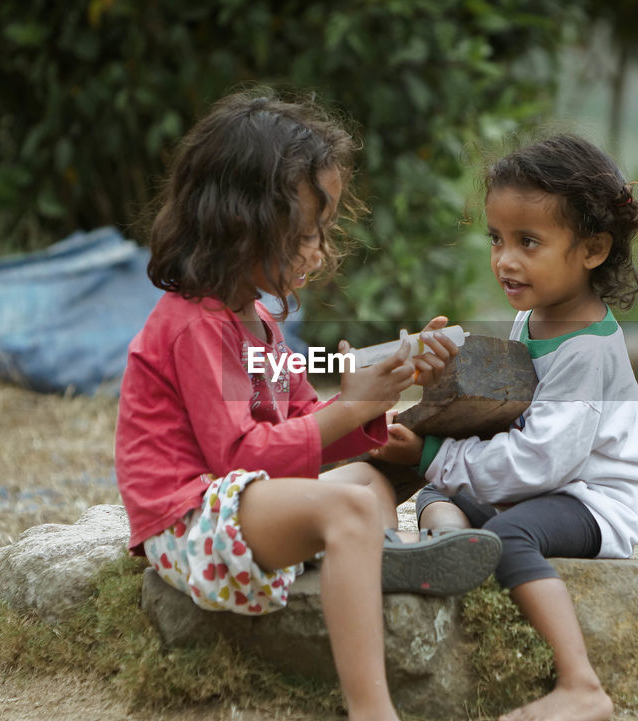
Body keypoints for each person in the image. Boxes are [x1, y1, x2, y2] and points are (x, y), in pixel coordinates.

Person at [115, 89, 500, 721]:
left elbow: (301, 427)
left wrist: (382, 386)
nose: (319, 251)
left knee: (371, 474)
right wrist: (348, 409)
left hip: (242, 503)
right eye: (304, 234)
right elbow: (235, 454)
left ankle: (385, 556)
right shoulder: (193, 327)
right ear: (240, 222)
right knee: (348, 505)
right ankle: (373, 710)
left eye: (322, 233)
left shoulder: (258, 321)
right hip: (188, 519)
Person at [374, 134, 638, 721]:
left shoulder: (588, 352)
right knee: (436, 491)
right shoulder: (532, 320)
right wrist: (442, 392)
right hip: (547, 485)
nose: (505, 260)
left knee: (510, 537)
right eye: (497, 240)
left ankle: (581, 685)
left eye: (528, 242)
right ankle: (447, 548)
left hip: (592, 498)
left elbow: (540, 463)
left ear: (593, 250)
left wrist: (431, 453)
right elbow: (506, 412)